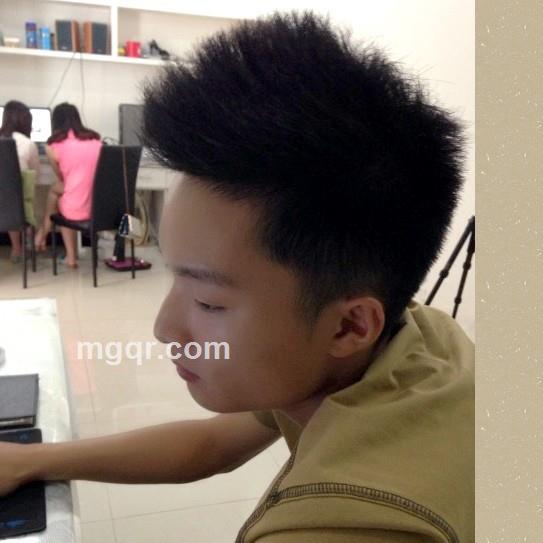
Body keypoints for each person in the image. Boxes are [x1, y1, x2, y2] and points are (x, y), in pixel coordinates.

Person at [0, 12, 474, 543]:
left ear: (350, 326)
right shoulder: (408, 340)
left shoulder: (347, 523)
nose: (164, 329)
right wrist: (28, 460)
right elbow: (210, 446)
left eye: (208, 302)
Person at [34, 103, 102, 268]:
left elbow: (62, 178)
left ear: (55, 122)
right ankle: (43, 233)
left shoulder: (52, 146)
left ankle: (63, 251)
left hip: (74, 210)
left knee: (59, 195)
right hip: (99, 208)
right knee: (58, 192)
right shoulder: (96, 140)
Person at [0, 100, 39, 263]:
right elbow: (34, 175)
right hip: (16, 205)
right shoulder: (28, 144)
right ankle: (29, 244)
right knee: (25, 196)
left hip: (3, 203)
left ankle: (16, 248)